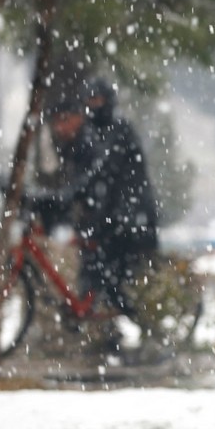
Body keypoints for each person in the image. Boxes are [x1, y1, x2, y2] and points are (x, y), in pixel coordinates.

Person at [43, 92, 159, 355]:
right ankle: (108, 332)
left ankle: (125, 327)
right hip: (106, 216)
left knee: (112, 278)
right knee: (95, 275)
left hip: (123, 218)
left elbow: (97, 177)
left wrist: (65, 199)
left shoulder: (109, 134)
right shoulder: (85, 139)